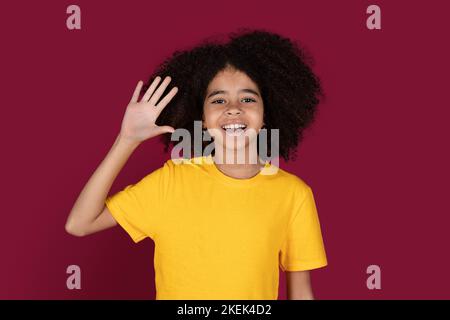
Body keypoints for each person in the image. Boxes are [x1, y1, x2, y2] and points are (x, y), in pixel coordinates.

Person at [65, 29, 328, 300]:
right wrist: (127, 140)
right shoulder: (170, 183)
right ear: (202, 119)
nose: (233, 108)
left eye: (248, 98)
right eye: (219, 100)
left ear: (265, 115)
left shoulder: (294, 194)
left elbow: (301, 293)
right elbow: (79, 224)